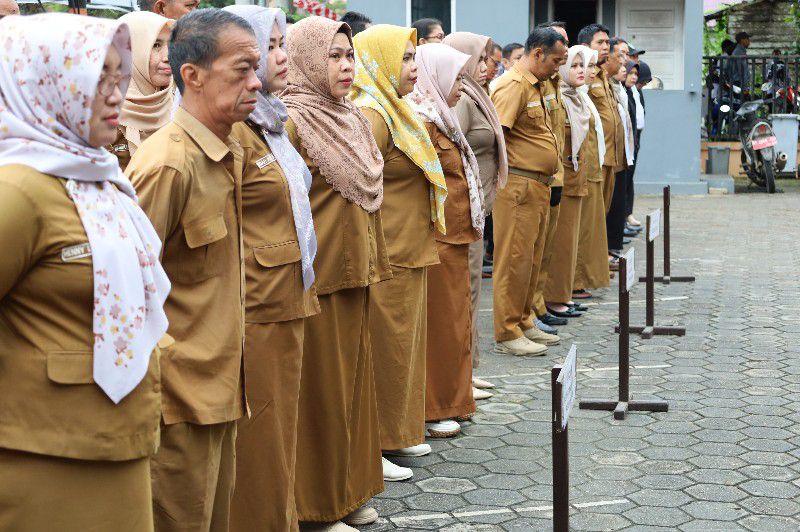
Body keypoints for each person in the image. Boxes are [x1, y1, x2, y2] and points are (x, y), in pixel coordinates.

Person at [0, 13, 170, 531]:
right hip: (45, 453)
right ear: (45, 83)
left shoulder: (97, 176)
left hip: (118, 433)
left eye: (118, 77)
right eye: (96, 79)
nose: (116, 94)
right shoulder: (20, 190)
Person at [126, 9, 258, 531]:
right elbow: (124, 288)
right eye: (242, 70)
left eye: (256, 69)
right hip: (179, 398)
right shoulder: (167, 163)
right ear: (193, 75)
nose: (256, 83)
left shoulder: (226, 149)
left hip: (221, 386)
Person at [215, 7, 320, 532]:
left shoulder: (273, 120)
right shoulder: (234, 131)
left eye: (280, 45)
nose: (279, 57)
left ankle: (283, 517)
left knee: (281, 425)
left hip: (286, 293)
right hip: (255, 302)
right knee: (260, 432)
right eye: (267, 47)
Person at [282, 16, 389, 531]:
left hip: (357, 271)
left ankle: (351, 491)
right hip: (317, 279)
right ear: (305, 60)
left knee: (354, 390)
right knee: (321, 395)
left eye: (350, 55)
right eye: (334, 56)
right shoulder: (291, 121)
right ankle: (317, 508)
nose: (347, 66)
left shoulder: (351, 118)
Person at [351, 23, 448, 479]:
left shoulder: (397, 108)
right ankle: (374, 444)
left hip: (408, 247)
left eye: (413, 58)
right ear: (381, 61)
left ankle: (397, 432)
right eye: (405, 58)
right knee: (384, 349)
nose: (413, 67)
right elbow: (358, 189)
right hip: (387, 252)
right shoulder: (372, 115)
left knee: (402, 348)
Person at [405, 42, 482, 437]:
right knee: (442, 325)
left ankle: (454, 399)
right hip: (438, 237)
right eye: (457, 79)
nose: (462, 87)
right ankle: (435, 407)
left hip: (455, 234)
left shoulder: (441, 117)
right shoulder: (423, 121)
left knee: (456, 322)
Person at [491, 27, 567, 355]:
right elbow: (495, 137)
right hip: (518, 187)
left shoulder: (535, 84)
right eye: (555, 61)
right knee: (514, 261)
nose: (558, 68)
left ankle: (523, 320)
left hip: (537, 185)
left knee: (530, 260)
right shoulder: (513, 85)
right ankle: (507, 331)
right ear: (537, 53)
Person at [443, 32, 509, 396]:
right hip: (464, 210)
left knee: (472, 294)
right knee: (464, 296)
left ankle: (469, 369)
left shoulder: (476, 94)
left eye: (486, 59)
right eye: (478, 59)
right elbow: (455, 153)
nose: (485, 66)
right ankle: (459, 376)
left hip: (479, 209)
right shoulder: (461, 100)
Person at [543, 45, 597, 313]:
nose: (580, 71)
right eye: (573, 66)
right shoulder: (559, 98)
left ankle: (563, 294)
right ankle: (553, 297)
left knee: (570, 241)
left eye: (581, 65)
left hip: (577, 178)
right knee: (560, 242)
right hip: (561, 180)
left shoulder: (579, 98)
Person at [533, 22, 577, 324]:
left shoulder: (552, 83)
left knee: (544, 251)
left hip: (554, 175)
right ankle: (528, 313)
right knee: (530, 255)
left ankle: (537, 308)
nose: (564, 54)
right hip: (533, 181)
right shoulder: (525, 85)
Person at [110, 11, 174, 171]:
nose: (168, 56)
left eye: (172, 44)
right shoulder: (104, 113)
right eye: (156, 45)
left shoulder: (180, 103)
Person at [573, 47, 610, 297]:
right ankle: (574, 282)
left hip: (592, 169)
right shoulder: (573, 96)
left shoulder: (583, 95)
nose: (591, 71)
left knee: (590, 230)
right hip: (580, 173)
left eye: (592, 66)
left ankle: (582, 280)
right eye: (587, 66)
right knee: (581, 230)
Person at [577, 23, 623, 225]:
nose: (606, 46)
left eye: (607, 42)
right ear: (586, 46)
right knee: (590, 216)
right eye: (600, 42)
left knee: (602, 212)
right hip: (594, 157)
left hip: (610, 155)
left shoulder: (602, 74)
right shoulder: (583, 76)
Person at [606, 40, 634, 261]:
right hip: (606, 158)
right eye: (620, 56)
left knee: (616, 202)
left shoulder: (617, 88)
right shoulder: (599, 84)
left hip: (621, 153)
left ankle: (612, 248)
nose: (624, 62)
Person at [625, 60, 644, 227]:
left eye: (636, 74)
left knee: (628, 181)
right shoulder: (623, 92)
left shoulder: (635, 92)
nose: (633, 77)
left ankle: (627, 215)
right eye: (630, 73)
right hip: (625, 144)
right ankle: (623, 219)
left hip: (634, 142)